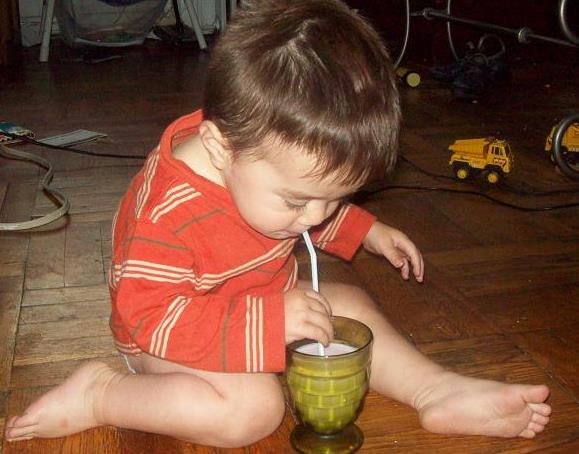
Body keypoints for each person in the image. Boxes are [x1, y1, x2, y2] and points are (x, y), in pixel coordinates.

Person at [4, 0, 551, 447]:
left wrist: (363, 230)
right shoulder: (167, 215)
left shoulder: (262, 161)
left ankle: (434, 390)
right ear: (220, 148)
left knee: (349, 306)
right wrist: (267, 324)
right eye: (297, 202)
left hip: (260, 302)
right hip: (168, 337)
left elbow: (311, 202)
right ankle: (101, 394)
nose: (315, 217)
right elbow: (148, 320)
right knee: (252, 409)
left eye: (335, 199)